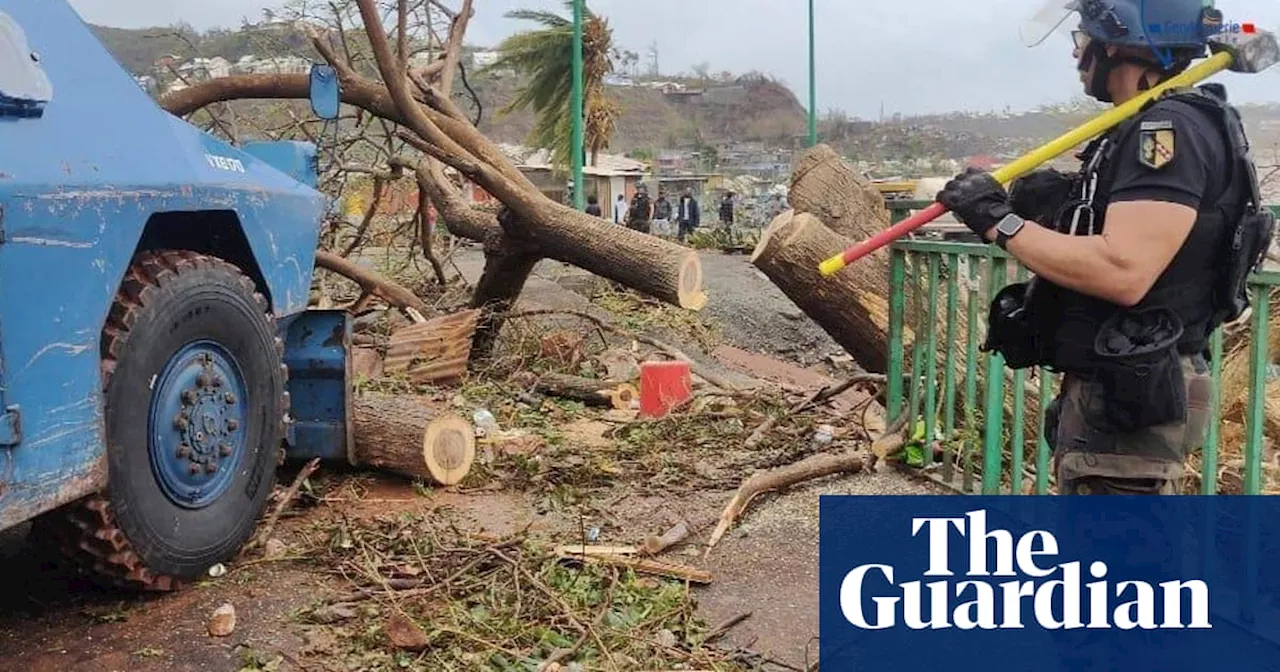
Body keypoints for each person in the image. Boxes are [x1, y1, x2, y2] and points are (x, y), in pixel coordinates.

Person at [937, 0, 1273, 496]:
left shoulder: (1167, 129)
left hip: (1135, 390)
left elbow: (1124, 270)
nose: (1078, 57)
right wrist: (1062, 202)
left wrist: (999, 223)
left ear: (1117, 46)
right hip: (1120, 384)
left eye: (1082, 40)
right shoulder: (1152, 123)